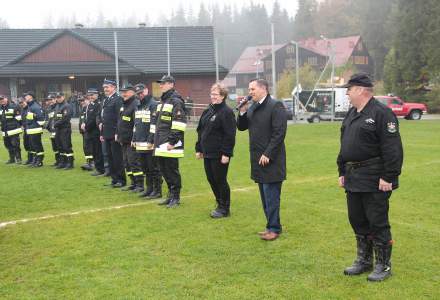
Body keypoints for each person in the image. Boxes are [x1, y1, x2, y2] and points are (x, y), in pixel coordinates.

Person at [337, 73, 403, 282]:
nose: (347, 92)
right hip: (353, 177)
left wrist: (388, 176)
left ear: (361, 90)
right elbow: (345, 145)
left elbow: (393, 149)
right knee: (357, 220)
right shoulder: (352, 114)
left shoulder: (382, 113)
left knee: (377, 222)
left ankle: (383, 265)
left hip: (375, 177)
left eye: (350, 88)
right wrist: (341, 171)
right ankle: (364, 261)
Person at [237, 79, 287, 241]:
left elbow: (279, 133)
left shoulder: (275, 106)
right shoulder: (253, 107)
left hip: (271, 161)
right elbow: (242, 127)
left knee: (271, 197)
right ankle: (271, 226)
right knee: (265, 197)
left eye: (252, 89)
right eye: (249, 89)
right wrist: (243, 111)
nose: (249, 92)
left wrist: (268, 153)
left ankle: (274, 228)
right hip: (257, 160)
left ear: (263, 89)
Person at [195, 83, 236, 218]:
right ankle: (219, 203)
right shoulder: (209, 110)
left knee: (220, 180)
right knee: (211, 179)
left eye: (216, 95)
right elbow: (201, 130)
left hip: (219, 154)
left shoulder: (227, 112)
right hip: (207, 152)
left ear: (223, 96)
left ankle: (225, 208)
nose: (213, 97)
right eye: (211, 94)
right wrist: (199, 148)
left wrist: (226, 153)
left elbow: (229, 134)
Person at [148, 75, 186, 208]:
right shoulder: (162, 102)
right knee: (164, 170)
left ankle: (176, 197)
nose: (161, 85)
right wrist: (153, 139)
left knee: (172, 170)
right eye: (160, 83)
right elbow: (157, 123)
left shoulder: (176, 101)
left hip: (170, 144)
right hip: (160, 143)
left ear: (171, 84)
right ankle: (170, 196)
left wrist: (172, 141)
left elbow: (179, 123)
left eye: (163, 83)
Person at [133, 83, 162, 199]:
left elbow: (154, 124)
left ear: (146, 90)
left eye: (141, 92)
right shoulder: (138, 105)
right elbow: (136, 124)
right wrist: (134, 138)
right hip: (140, 142)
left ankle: (157, 190)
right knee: (145, 168)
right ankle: (149, 189)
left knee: (153, 168)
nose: (139, 95)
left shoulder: (153, 104)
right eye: (137, 94)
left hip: (149, 143)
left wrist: (151, 140)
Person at [99, 79, 125, 188]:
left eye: (107, 87)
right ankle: (114, 179)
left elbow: (119, 118)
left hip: (114, 133)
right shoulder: (106, 100)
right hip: (106, 133)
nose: (105, 89)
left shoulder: (118, 99)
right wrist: (102, 133)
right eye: (104, 87)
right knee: (109, 157)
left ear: (114, 87)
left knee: (117, 158)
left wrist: (117, 132)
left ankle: (121, 180)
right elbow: (104, 118)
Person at [116, 84, 142, 192]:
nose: (123, 94)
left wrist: (134, 139)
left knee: (134, 162)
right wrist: (118, 133)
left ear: (132, 92)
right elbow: (120, 121)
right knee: (126, 162)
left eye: (126, 91)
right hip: (124, 139)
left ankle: (140, 184)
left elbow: (137, 124)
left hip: (131, 140)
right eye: (122, 91)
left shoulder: (135, 104)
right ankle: (133, 182)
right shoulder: (124, 104)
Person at [83, 88, 105, 176]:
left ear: (97, 95)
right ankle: (97, 167)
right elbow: (87, 118)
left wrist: (86, 126)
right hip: (90, 131)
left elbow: (94, 119)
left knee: (98, 151)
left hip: (95, 131)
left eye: (93, 95)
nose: (91, 97)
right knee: (94, 151)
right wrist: (84, 123)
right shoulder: (90, 105)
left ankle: (100, 169)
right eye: (90, 95)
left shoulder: (98, 105)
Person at [23, 91, 45, 167]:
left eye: (26, 96)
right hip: (30, 130)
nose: (25, 97)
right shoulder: (30, 106)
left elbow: (41, 119)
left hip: (35, 130)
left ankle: (39, 161)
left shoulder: (35, 106)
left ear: (31, 97)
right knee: (33, 146)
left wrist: (37, 127)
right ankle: (35, 160)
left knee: (37, 146)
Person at [53, 92, 74, 170]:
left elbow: (66, 118)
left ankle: (70, 163)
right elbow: (56, 117)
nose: (58, 99)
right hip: (58, 129)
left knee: (66, 146)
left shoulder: (67, 106)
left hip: (65, 129)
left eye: (59, 97)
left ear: (63, 97)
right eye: (57, 97)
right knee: (60, 146)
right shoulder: (57, 106)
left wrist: (56, 123)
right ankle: (63, 162)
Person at [0, 95, 22, 164]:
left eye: (2, 99)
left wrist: (18, 126)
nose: (1, 101)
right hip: (5, 130)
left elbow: (19, 118)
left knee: (15, 144)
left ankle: (18, 158)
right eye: (0, 100)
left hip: (14, 129)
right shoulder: (0, 108)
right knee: (7, 145)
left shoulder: (14, 106)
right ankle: (12, 158)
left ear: (6, 99)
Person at [78, 96, 94, 171]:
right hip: (84, 132)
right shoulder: (83, 109)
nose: (82, 102)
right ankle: (88, 161)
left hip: (90, 131)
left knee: (90, 146)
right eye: (80, 101)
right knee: (85, 147)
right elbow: (81, 121)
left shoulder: (91, 109)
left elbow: (91, 120)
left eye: (83, 100)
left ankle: (92, 162)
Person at [44, 94, 60, 167]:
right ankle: (57, 160)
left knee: (60, 146)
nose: (50, 101)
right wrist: (47, 127)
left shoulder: (58, 107)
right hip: (52, 131)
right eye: (49, 100)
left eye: (52, 99)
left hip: (58, 130)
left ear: (55, 99)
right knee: (55, 147)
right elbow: (49, 120)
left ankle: (62, 161)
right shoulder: (49, 108)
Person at [18, 97, 32, 165]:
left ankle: (31, 159)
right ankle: (30, 158)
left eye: (22, 102)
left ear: (25, 101)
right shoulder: (22, 109)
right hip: (25, 129)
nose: (21, 104)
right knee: (26, 144)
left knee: (31, 144)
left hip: (30, 128)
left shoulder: (29, 108)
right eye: (20, 103)